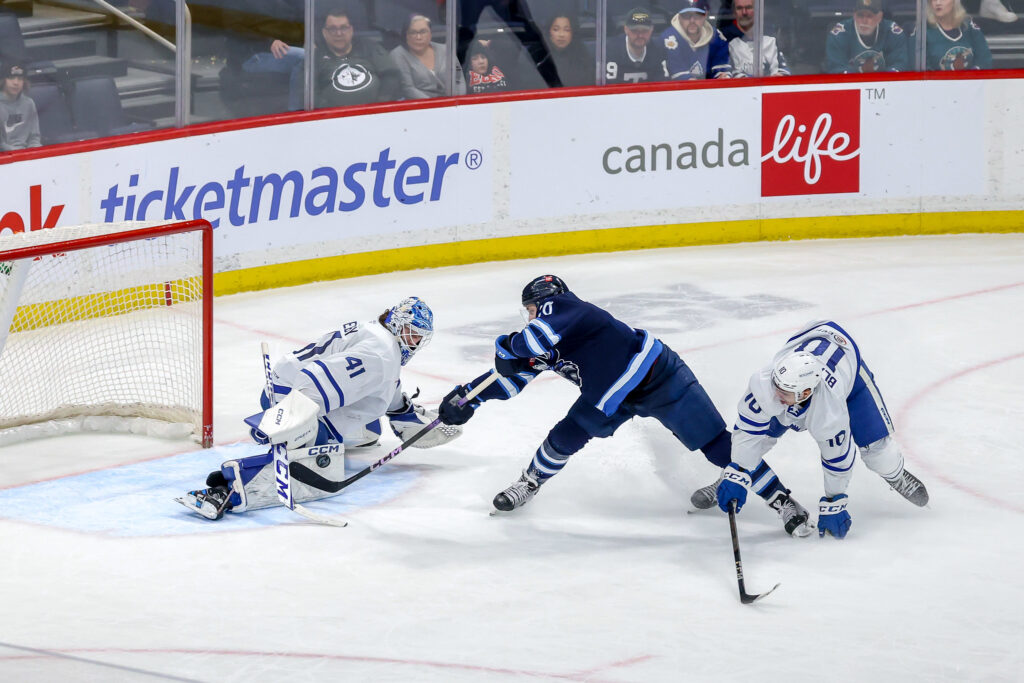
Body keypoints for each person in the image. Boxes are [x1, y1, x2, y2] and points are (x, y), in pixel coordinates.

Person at [437, 275, 734, 514]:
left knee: (711, 440)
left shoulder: (568, 315)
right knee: (566, 435)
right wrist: (468, 397)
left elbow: (523, 343)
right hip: (610, 394)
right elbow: (511, 379)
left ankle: (740, 475)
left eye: (531, 309)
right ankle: (529, 484)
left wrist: (507, 345)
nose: (529, 316)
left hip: (651, 378)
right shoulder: (546, 339)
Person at [177, 297, 462, 520]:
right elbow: (317, 381)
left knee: (368, 429)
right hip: (294, 397)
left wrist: (410, 417)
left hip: (289, 383)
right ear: (399, 325)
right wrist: (284, 421)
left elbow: (387, 392)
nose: (415, 344)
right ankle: (226, 490)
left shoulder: (378, 337)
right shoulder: (380, 355)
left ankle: (308, 433)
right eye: (413, 335)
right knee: (322, 468)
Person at [692, 320, 930, 539]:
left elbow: (838, 456)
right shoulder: (767, 385)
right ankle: (731, 479)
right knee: (758, 439)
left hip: (851, 381)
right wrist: (739, 471)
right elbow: (747, 434)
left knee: (880, 455)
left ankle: (895, 475)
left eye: (783, 392)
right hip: (814, 348)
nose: (775, 394)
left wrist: (834, 499)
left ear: (805, 393)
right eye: (776, 385)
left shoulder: (828, 409)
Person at [315, 3, 402, 108]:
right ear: (325, 33)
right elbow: (307, 93)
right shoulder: (314, 59)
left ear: (351, 30)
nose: (339, 33)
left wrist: (380, 104)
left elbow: (392, 76)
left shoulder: (370, 48)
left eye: (343, 28)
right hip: (333, 119)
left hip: (376, 114)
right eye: (333, 29)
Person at [390, 14, 467, 99]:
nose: (418, 37)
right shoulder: (398, 54)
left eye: (423, 32)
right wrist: (434, 106)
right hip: (421, 107)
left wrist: (457, 100)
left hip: (452, 104)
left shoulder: (446, 50)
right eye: (413, 32)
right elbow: (408, 89)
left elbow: (459, 79)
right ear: (406, 35)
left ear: (430, 34)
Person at [825, 0, 909, 74]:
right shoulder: (839, 35)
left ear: (879, 17)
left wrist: (883, 80)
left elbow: (900, 65)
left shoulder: (892, 33)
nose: (864, 21)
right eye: (860, 15)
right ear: (854, 15)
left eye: (869, 16)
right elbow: (836, 68)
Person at [660, 0, 732, 80]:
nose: (692, 21)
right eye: (686, 16)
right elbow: (678, 74)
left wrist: (723, 76)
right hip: (680, 90)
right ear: (679, 17)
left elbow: (722, 69)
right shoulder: (669, 38)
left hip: (709, 88)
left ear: (705, 16)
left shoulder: (716, 36)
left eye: (697, 15)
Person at [721, 0, 791, 77]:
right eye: (739, 8)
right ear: (734, 12)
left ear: (757, 10)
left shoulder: (771, 39)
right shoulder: (725, 39)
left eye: (748, 7)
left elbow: (785, 71)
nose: (744, 12)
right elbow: (725, 75)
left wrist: (778, 77)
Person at [922, 0, 993, 70]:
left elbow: (984, 60)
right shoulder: (923, 31)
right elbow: (920, 70)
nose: (938, 3)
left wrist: (970, 77)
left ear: (955, 2)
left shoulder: (969, 27)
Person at [604, 7, 666, 84]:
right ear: (626, 29)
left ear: (651, 30)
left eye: (645, 31)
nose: (640, 35)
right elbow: (609, 89)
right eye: (635, 31)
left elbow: (662, 86)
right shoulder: (611, 50)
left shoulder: (658, 50)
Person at [534, 12, 595, 87]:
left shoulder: (583, 58)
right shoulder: (539, 57)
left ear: (573, 33)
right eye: (556, 29)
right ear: (549, 32)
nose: (561, 35)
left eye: (567, 30)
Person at [0, 63, 41, 151]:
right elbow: (1, 144)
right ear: (3, 81)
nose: (16, 83)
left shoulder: (29, 103)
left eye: (20, 79)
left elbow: (34, 137)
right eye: (11, 78)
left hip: (27, 155)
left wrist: (33, 152)